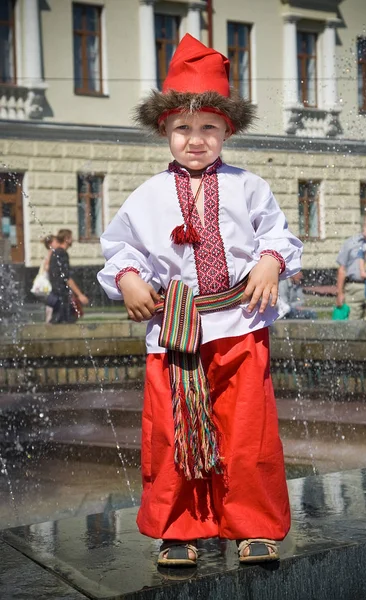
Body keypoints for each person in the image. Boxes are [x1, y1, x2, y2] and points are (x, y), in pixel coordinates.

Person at [97, 34, 302, 568]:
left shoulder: (249, 187)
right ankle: (179, 531)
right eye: (182, 128)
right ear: (164, 130)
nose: (195, 139)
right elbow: (121, 247)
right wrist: (128, 279)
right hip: (175, 332)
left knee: (247, 432)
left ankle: (253, 528)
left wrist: (269, 262)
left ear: (227, 130)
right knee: (171, 432)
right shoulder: (147, 196)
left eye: (208, 127)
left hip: (240, 324)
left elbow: (279, 236)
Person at [49, 229, 89, 323]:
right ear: (66, 239)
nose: (73, 240)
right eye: (71, 237)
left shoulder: (55, 253)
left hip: (56, 292)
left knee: (58, 320)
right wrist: (80, 295)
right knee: (64, 321)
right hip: (62, 294)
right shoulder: (62, 253)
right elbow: (66, 277)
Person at [336, 229, 365, 320]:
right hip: (354, 287)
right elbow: (342, 269)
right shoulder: (351, 243)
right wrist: (340, 293)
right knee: (352, 323)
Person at [42, 234, 59, 323]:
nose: (58, 243)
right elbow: (47, 268)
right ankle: (49, 321)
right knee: (52, 301)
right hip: (50, 282)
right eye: (56, 241)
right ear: (50, 244)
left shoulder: (53, 253)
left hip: (52, 283)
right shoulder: (51, 253)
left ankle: (50, 319)